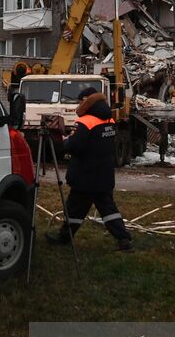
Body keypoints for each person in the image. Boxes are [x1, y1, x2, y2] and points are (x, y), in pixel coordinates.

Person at [45, 88, 132, 252]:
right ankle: (124, 239)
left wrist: (66, 141)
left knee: (74, 209)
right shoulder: (109, 120)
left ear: (86, 100)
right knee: (108, 209)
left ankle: (64, 237)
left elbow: (76, 146)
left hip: (85, 175)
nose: (79, 104)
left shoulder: (86, 122)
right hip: (104, 174)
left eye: (80, 101)